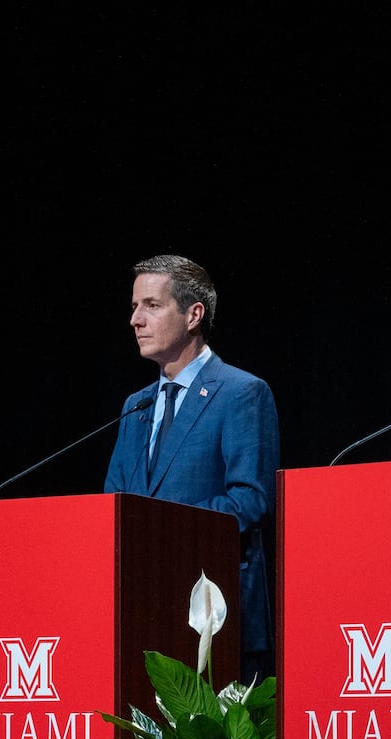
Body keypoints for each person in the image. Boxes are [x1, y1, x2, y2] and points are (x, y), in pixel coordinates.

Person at [105, 254, 280, 681]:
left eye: (151, 305)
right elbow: (111, 505)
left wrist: (161, 532)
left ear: (193, 314)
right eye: (133, 307)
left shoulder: (242, 392)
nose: (135, 320)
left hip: (215, 618)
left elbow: (250, 500)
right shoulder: (136, 405)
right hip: (139, 616)